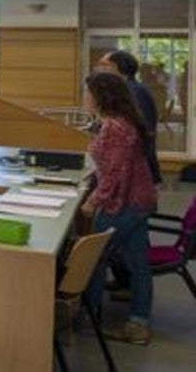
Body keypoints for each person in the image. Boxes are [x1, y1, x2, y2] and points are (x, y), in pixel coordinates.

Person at [81, 71, 159, 346]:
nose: (85, 97)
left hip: (126, 203)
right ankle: (138, 323)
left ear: (101, 96)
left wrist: (93, 202)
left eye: (87, 92)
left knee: (91, 257)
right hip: (140, 200)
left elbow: (114, 174)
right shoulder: (123, 122)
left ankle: (86, 315)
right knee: (139, 263)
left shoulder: (115, 127)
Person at [96, 50, 162, 184]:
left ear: (117, 67)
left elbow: (140, 130)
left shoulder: (135, 92)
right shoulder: (125, 90)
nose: (100, 69)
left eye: (105, 65)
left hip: (136, 165)